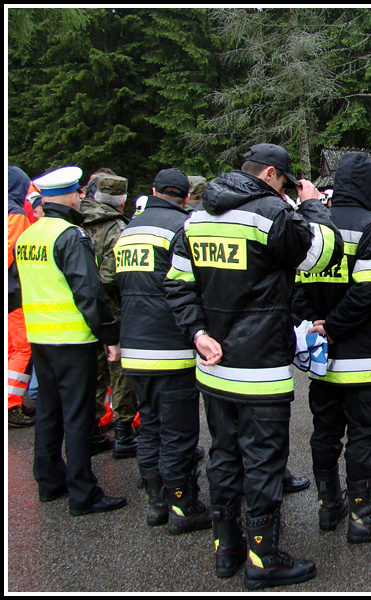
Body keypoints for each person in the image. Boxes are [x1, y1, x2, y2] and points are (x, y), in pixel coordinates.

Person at [165, 143, 342, 589]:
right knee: (263, 460)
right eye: (283, 181)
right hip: (260, 367)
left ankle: (227, 551)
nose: (284, 188)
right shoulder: (271, 214)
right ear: (269, 174)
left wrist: (197, 334)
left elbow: (178, 284)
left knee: (225, 456)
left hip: (213, 365)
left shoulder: (197, 216)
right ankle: (264, 559)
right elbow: (322, 255)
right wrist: (313, 206)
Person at [292, 151, 371, 545]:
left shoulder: (312, 223)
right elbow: (369, 289)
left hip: (321, 356)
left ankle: (330, 507)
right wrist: (336, 327)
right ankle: (364, 515)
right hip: (362, 355)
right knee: (363, 436)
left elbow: (296, 288)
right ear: (370, 187)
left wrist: (316, 327)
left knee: (325, 432)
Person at [15, 165, 127, 515]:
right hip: (72, 339)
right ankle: (84, 492)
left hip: (40, 338)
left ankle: (49, 481)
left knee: (49, 411)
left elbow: (19, 288)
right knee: (78, 416)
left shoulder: (29, 237)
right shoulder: (69, 236)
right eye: (78, 193)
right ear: (65, 196)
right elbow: (89, 293)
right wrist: (109, 336)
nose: (82, 197)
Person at [114, 168, 211, 533]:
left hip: (133, 343)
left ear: (153, 191)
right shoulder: (182, 228)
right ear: (186, 197)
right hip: (170, 343)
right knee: (179, 431)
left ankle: (156, 502)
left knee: (150, 425)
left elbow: (113, 283)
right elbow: (194, 285)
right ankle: (183, 505)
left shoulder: (128, 230)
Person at [79, 174, 139, 458]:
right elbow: (111, 275)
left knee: (93, 372)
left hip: (79, 311)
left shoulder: (76, 221)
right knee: (120, 372)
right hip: (111, 310)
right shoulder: (117, 228)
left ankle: (90, 431)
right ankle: (124, 432)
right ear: (122, 200)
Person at [8, 166, 36, 427]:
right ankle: (11, 404)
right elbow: (17, 252)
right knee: (23, 346)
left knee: (10, 347)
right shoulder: (14, 212)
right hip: (14, 291)